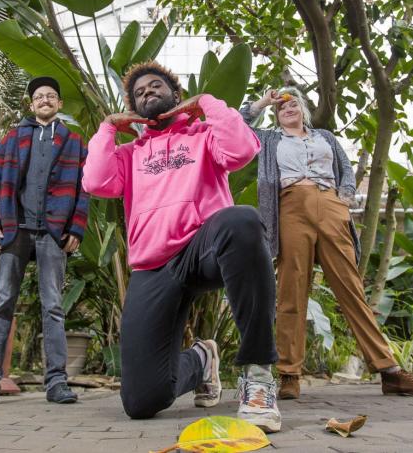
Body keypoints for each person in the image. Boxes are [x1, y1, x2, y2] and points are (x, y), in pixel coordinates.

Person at [82, 61, 282, 433]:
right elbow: (96, 182)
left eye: (155, 86)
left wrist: (207, 101)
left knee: (241, 220)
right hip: (153, 266)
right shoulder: (129, 155)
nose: (147, 93)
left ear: (176, 95)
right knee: (142, 401)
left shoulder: (205, 135)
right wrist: (108, 127)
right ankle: (202, 359)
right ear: (135, 110)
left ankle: (258, 376)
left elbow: (240, 152)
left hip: (201, 247)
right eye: (139, 93)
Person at [242, 87, 413, 400]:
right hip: (291, 207)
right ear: (276, 115)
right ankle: (289, 374)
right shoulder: (269, 139)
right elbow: (240, 123)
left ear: (304, 109)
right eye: (282, 107)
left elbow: (346, 171)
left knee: (350, 287)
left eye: (294, 103)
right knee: (291, 290)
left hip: (331, 207)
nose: (288, 108)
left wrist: (343, 200)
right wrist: (266, 101)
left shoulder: (325, 137)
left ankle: (389, 371)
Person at [0, 76, 89, 406]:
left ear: (58, 104)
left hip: (53, 232)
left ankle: (56, 382)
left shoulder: (73, 141)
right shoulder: (13, 138)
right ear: (31, 105)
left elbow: (84, 188)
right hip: (15, 229)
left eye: (51, 96)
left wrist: (76, 228)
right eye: (39, 96)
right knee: (3, 303)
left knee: (53, 306)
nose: (45, 100)